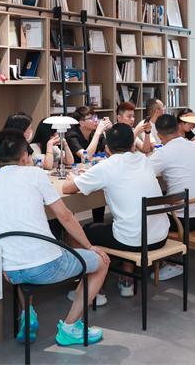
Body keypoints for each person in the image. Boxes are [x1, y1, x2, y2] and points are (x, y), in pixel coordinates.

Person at [0, 129, 110, 346]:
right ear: (24, 156)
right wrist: (89, 246)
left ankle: (28, 314)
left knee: (21, 256)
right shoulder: (35, 175)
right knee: (101, 262)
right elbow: (65, 216)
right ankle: (70, 328)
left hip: (10, 272)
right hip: (47, 267)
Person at [62, 124, 169, 297]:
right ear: (133, 145)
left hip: (134, 241)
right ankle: (126, 281)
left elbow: (67, 188)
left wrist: (74, 178)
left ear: (107, 148)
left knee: (76, 233)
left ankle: (91, 291)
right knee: (127, 223)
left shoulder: (107, 166)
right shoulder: (144, 160)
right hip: (159, 236)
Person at [150, 114, 195, 279]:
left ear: (159, 135)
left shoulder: (164, 153)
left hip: (182, 220)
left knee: (148, 214)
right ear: (178, 128)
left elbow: (143, 172)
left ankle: (170, 261)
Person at [67, 106, 111, 223]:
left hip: (90, 171)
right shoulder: (72, 135)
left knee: (99, 191)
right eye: (91, 118)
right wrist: (98, 132)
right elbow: (85, 157)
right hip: (73, 173)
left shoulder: (95, 134)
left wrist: (109, 131)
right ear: (81, 123)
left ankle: (98, 223)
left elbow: (110, 151)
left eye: (95, 117)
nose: (96, 120)